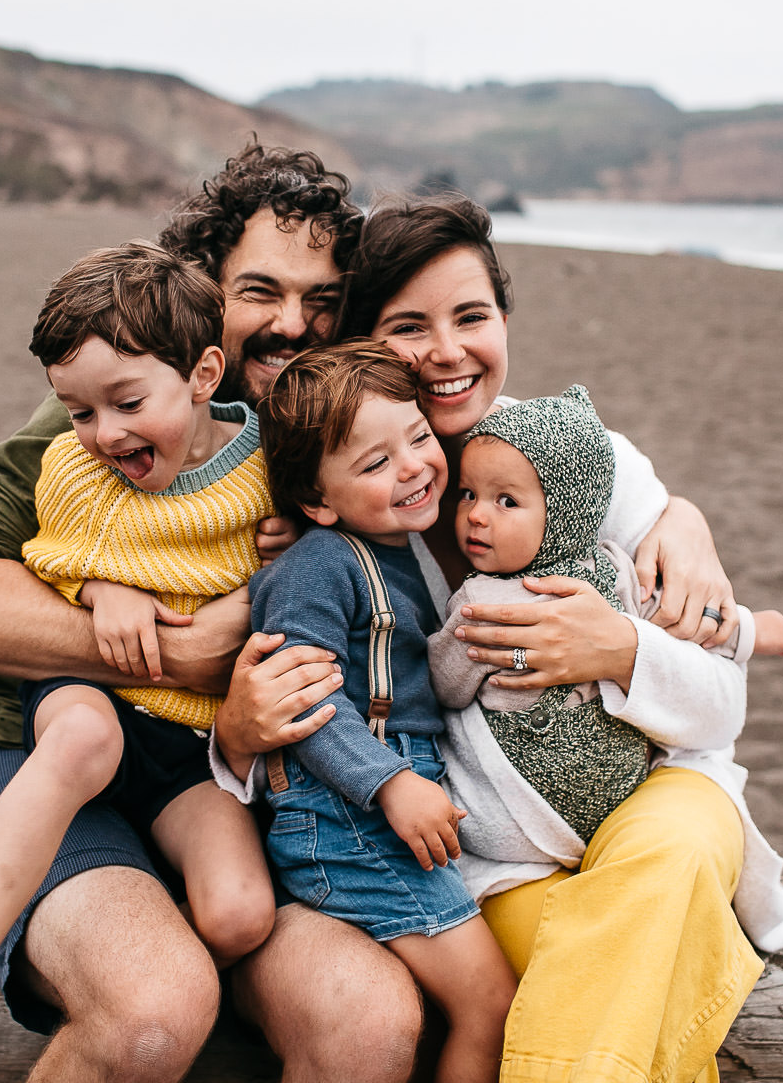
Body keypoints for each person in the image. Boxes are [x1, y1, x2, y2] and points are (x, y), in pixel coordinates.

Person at [213, 193, 783, 1083]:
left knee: (672, 857)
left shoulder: (571, 458)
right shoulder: (352, 488)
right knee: (600, 968)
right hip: (491, 856)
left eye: (473, 316)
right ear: (362, 344)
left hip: (652, 800)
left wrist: (623, 645)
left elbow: (716, 694)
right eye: (410, 326)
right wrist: (235, 728)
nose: (450, 351)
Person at [0, 143, 437, 1083]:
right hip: (53, 758)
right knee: (152, 1012)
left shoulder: (342, 420)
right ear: (204, 298)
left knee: (368, 1025)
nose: (292, 325)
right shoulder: (121, 409)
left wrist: (676, 522)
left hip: (237, 792)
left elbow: (517, 467)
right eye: (261, 292)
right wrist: (173, 651)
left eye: (320, 301)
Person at [0, 243, 277, 1083]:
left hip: (187, 747)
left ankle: (132, 933)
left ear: (206, 373)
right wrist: (100, 589)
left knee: (240, 913)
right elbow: (40, 554)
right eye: (78, 411)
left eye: (125, 403)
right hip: (93, 692)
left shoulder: (267, 468)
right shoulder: (72, 465)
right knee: (79, 745)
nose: (103, 434)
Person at [428, 385, 783, 919]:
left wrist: (738, 628)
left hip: (630, 803)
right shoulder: (485, 602)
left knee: (656, 892)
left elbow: (668, 625)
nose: (477, 516)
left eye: (506, 501)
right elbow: (445, 683)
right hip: (516, 835)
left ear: (564, 510)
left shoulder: (614, 566)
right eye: (467, 495)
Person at [252, 341, 518, 1083]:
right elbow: (301, 698)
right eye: (374, 464)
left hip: (389, 803)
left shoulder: (408, 550)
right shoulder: (317, 564)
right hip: (349, 815)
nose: (411, 467)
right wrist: (390, 784)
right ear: (317, 501)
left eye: (420, 438)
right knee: (490, 1005)